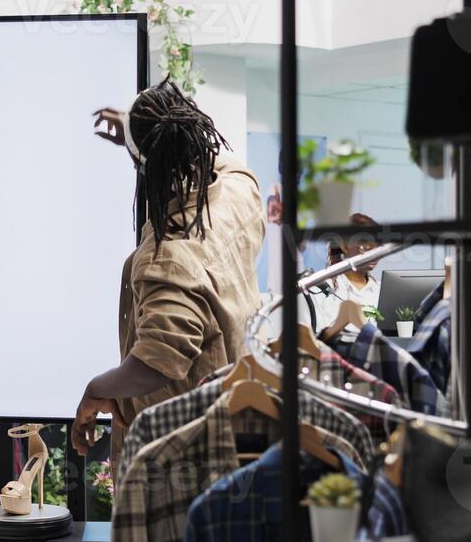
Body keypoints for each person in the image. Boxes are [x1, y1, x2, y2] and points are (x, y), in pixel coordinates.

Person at [69, 80, 266, 461]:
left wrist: (95, 388)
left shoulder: (170, 258)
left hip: (180, 450)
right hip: (233, 421)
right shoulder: (239, 191)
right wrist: (136, 133)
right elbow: (219, 161)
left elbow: (155, 364)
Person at [308, 213, 382, 335]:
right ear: (344, 246)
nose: (374, 253)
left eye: (377, 247)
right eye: (366, 246)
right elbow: (316, 340)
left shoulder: (381, 290)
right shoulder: (320, 289)